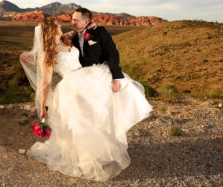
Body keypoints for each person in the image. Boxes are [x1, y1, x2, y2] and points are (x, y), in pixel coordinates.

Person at [20, 15, 153, 181]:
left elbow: (77, 30)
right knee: (83, 122)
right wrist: (42, 107)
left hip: (89, 76)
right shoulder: (48, 53)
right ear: (50, 30)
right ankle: (87, 159)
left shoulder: (66, 38)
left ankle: (101, 152)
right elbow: (46, 83)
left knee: (100, 113)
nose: (60, 26)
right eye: (57, 25)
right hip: (72, 86)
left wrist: (92, 25)